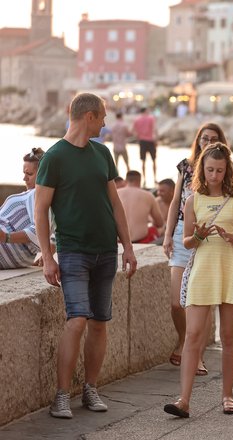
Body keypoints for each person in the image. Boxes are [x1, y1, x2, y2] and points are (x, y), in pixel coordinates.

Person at [34, 92, 138, 419]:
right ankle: (61, 395)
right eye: (102, 117)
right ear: (89, 116)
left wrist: (129, 246)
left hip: (106, 250)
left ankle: (90, 389)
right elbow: (40, 210)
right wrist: (48, 257)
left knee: (99, 323)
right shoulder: (55, 157)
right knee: (76, 320)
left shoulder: (102, 153)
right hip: (73, 251)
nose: (106, 123)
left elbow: (115, 203)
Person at [164, 142, 233, 419]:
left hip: (229, 269)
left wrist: (231, 237)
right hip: (202, 272)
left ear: (227, 171)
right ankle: (184, 400)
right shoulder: (193, 200)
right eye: (210, 169)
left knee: (229, 337)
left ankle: (228, 396)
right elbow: (187, 241)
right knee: (192, 336)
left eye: (219, 170)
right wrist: (199, 236)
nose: (214, 175)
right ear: (202, 169)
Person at [162, 123, 225, 377]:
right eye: (203, 138)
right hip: (181, 233)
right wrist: (167, 235)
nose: (207, 142)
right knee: (177, 303)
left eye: (213, 139)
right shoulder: (185, 167)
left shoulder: (223, 170)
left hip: (210, 237)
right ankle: (183, 340)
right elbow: (176, 201)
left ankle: (196, 354)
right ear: (197, 140)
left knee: (202, 302)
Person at [0, 148, 52, 269]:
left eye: (29, 174)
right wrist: (48, 254)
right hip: (17, 257)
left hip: (6, 247)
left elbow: (39, 229)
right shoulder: (46, 198)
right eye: (24, 173)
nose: (24, 178)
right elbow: (55, 233)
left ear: (43, 174)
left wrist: (5, 237)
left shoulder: (37, 194)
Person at [117, 170, 164, 243]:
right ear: (139, 181)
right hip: (142, 240)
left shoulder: (116, 193)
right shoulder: (148, 195)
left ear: (126, 181)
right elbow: (160, 223)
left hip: (119, 241)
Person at [132, 107, 158, 185]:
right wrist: (156, 140)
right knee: (154, 160)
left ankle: (144, 180)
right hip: (150, 141)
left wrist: (139, 137)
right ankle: (155, 178)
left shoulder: (137, 120)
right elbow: (154, 130)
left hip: (142, 141)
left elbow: (133, 131)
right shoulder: (151, 118)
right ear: (146, 111)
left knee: (143, 161)